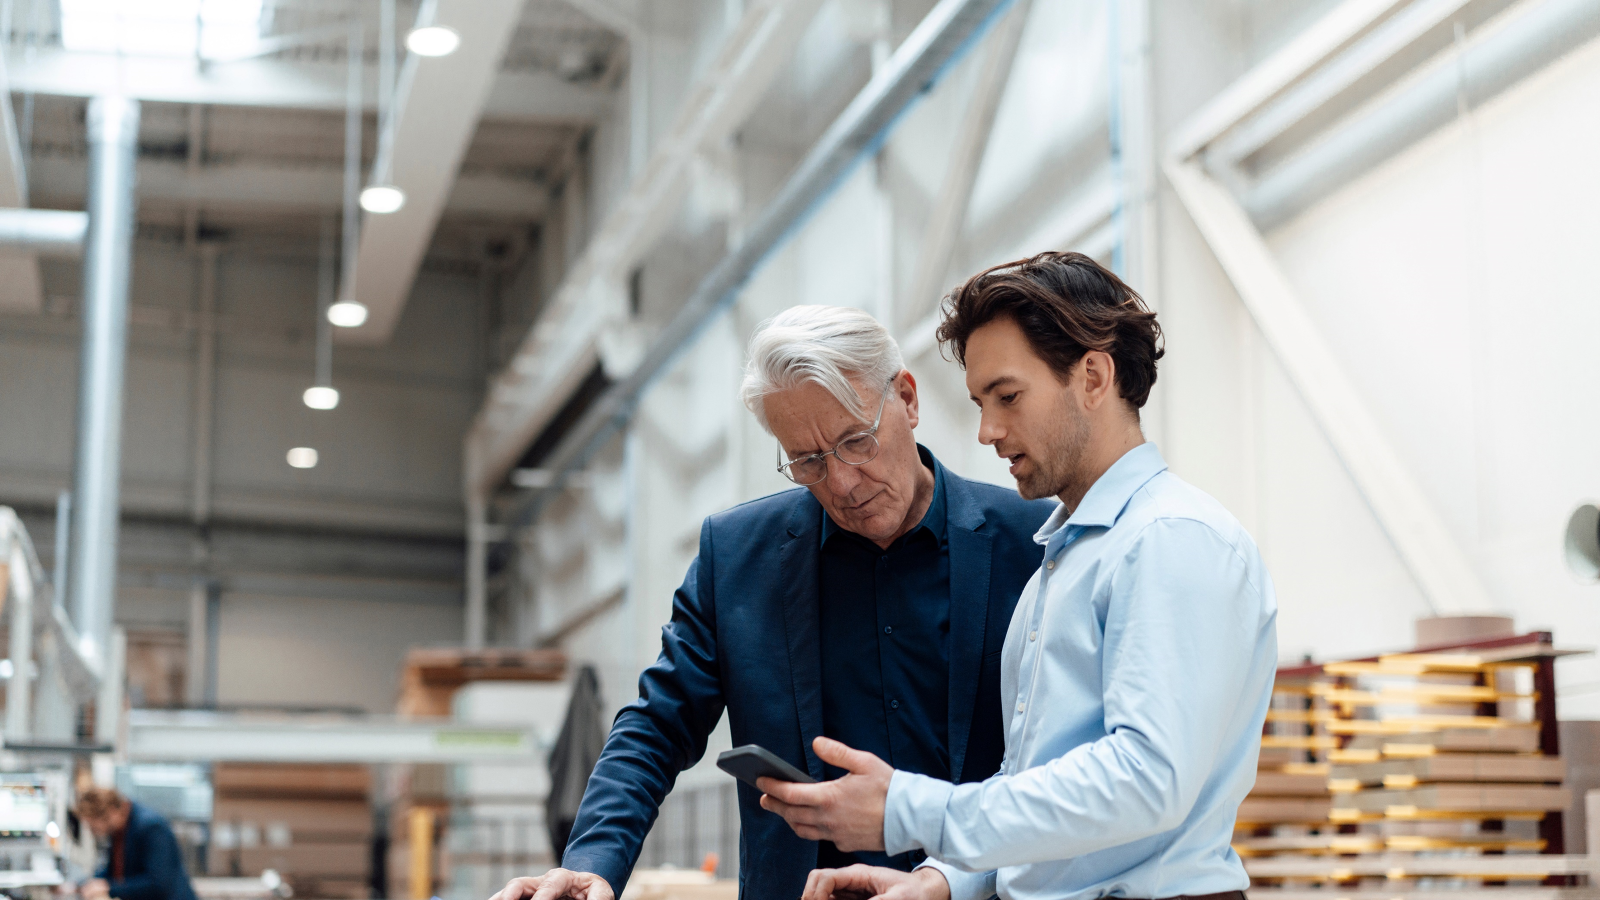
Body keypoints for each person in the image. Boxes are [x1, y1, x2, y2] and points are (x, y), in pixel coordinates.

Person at [759, 252, 1279, 900]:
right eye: (980, 402)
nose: (986, 431)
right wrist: (943, 879)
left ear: (1092, 376)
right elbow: (1043, 789)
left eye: (1007, 397)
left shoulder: (1171, 540)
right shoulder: (1061, 564)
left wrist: (909, 809)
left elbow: (1146, 780)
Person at [491, 306, 1055, 900]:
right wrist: (594, 861)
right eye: (807, 461)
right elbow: (656, 726)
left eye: (854, 442)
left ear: (908, 400)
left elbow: (1064, 761)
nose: (840, 484)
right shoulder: (736, 559)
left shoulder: (1033, 543)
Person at [75, 786, 199, 900]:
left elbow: (159, 884)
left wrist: (109, 887)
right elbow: (113, 870)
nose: (93, 832)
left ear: (111, 813)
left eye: (94, 827)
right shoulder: (119, 831)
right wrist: (84, 884)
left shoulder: (151, 827)